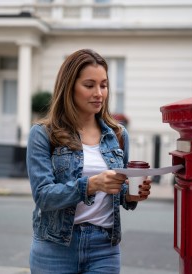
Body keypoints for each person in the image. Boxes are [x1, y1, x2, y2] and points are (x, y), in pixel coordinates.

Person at [26, 48, 152, 274]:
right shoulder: (44, 134)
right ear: (69, 87)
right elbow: (44, 196)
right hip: (55, 247)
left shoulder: (119, 134)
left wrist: (131, 194)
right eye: (89, 85)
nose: (99, 93)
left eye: (103, 85)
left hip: (104, 248)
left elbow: (117, 192)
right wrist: (92, 185)